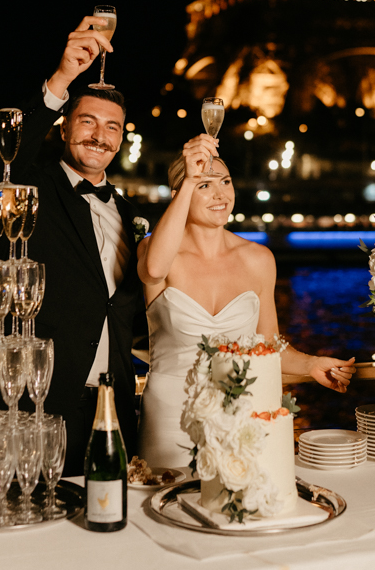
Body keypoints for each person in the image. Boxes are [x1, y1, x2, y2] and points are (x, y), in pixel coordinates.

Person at [0, 16, 142, 474]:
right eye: (87, 121)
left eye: (112, 127)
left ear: (122, 139)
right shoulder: (33, 190)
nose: (99, 135)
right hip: (45, 402)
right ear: (64, 128)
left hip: (116, 405)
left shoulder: (129, 213)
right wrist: (62, 79)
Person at [136, 133, 356, 468]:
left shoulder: (258, 259)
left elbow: (268, 345)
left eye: (225, 181)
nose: (221, 194)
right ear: (180, 193)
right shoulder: (157, 253)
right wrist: (189, 177)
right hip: (170, 416)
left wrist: (311, 364)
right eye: (204, 185)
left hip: (240, 413)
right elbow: (152, 271)